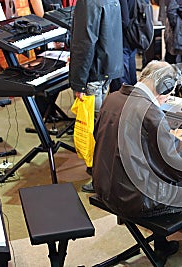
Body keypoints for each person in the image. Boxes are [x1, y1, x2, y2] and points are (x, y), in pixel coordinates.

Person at [92, 60, 182, 265]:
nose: (167, 99)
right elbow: (180, 166)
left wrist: (167, 138)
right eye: (169, 94)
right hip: (137, 200)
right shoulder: (150, 111)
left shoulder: (113, 98)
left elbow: (115, 141)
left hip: (106, 188)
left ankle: (162, 246)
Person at [69, 0, 124, 192]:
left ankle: (101, 179)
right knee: (100, 123)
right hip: (108, 67)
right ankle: (98, 171)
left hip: (93, 71)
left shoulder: (88, 2)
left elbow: (84, 43)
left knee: (95, 128)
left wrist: (78, 82)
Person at [109, 0, 141, 92]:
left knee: (121, 83)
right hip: (133, 36)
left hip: (121, 39)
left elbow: (124, 20)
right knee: (131, 76)